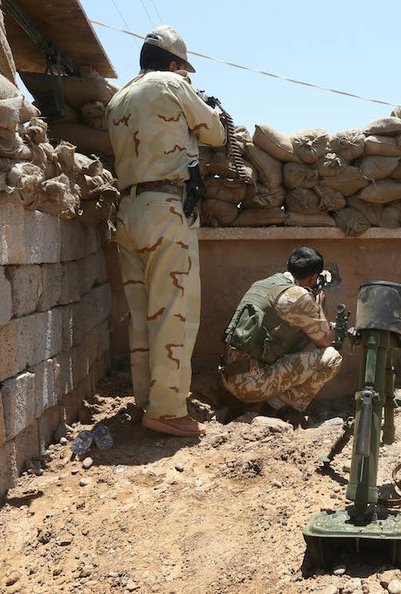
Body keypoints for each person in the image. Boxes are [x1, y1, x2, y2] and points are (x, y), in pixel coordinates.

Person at [107, 25, 226, 436]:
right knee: (174, 309)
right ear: (175, 63)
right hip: (165, 208)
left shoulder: (117, 98)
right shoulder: (173, 84)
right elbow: (216, 132)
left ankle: (148, 402)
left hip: (128, 210)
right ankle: (168, 411)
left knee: (141, 313)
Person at [220, 247, 343, 420]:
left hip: (229, 375)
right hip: (250, 385)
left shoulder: (263, 284)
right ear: (314, 277)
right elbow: (324, 341)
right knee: (332, 358)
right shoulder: (298, 296)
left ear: (288, 265)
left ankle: (256, 406)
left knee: (292, 342)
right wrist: (319, 307)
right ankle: (271, 409)